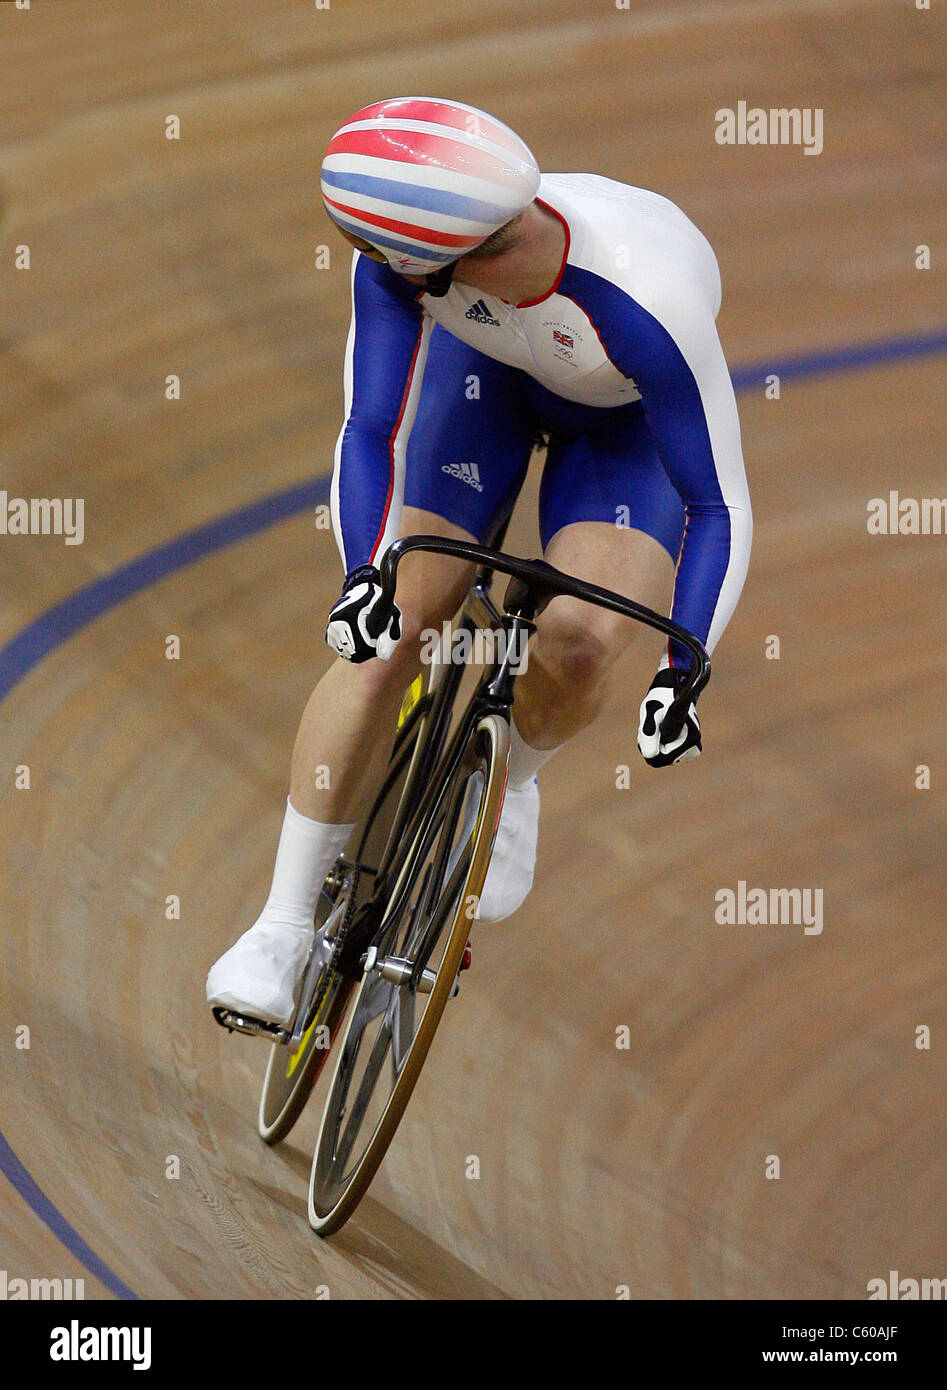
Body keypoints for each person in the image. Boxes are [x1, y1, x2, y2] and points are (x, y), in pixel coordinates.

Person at [206, 96, 752, 1026]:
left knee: (579, 642)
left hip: (620, 428)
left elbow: (719, 502)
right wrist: (361, 581)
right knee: (392, 632)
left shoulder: (644, 302)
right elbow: (369, 427)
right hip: (486, 377)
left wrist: (682, 667)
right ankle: (283, 926)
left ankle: (516, 783)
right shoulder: (394, 264)